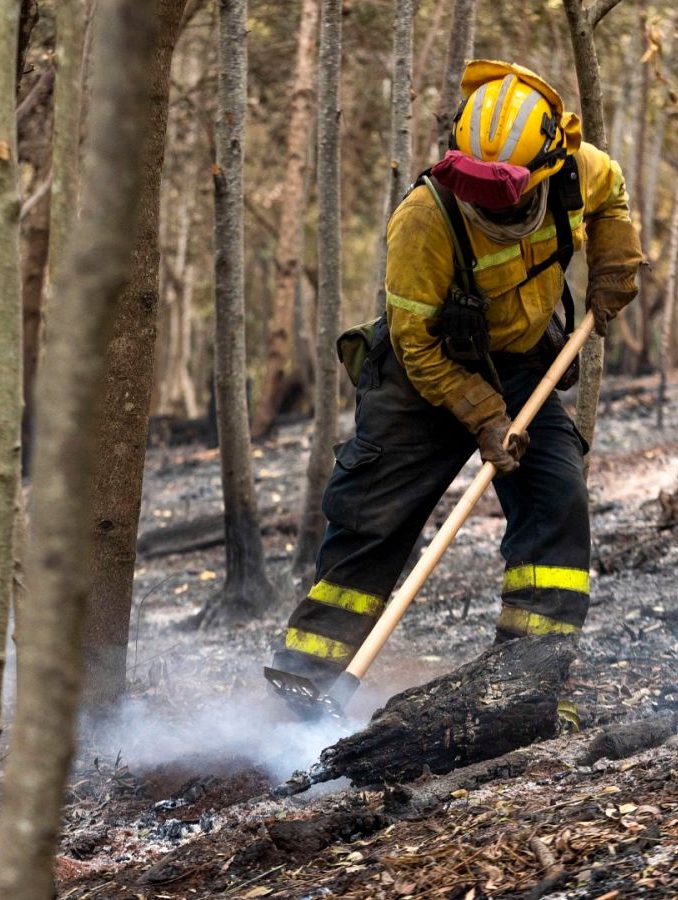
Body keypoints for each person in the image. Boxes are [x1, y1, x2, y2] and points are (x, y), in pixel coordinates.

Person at [269, 60, 644, 702]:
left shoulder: (581, 171)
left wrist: (615, 262)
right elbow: (415, 343)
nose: (484, 206)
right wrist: (485, 415)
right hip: (424, 381)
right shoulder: (423, 220)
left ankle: (524, 681)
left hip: (524, 364)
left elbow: (611, 201)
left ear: (549, 166)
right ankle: (304, 686)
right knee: (370, 523)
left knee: (559, 503)